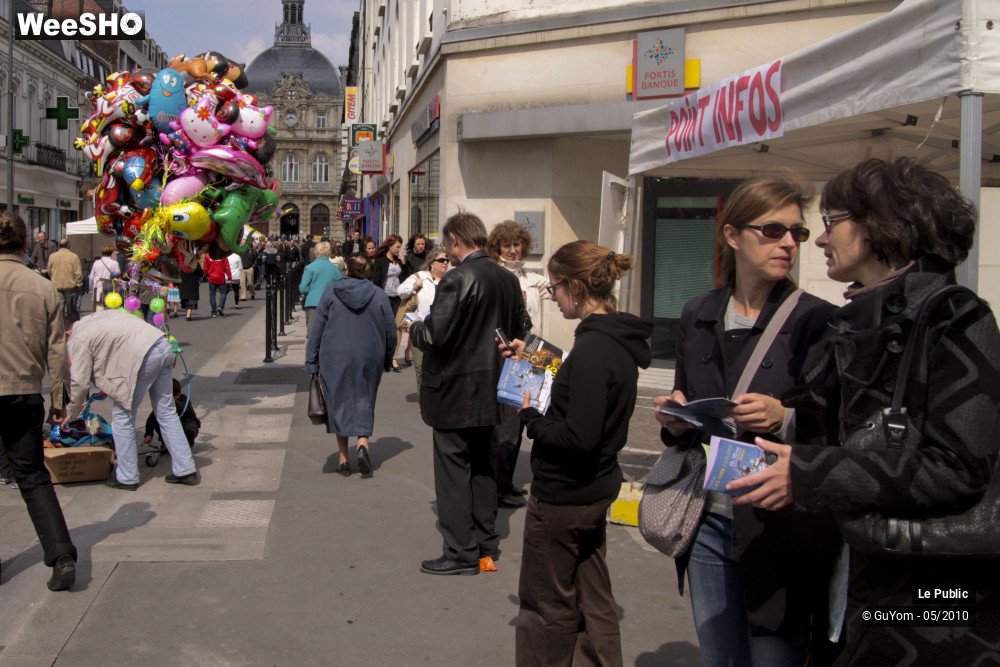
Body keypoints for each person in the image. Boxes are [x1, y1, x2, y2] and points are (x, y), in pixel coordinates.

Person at [730, 158, 1000, 665]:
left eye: (830, 222)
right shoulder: (852, 322)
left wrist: (809, 473)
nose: (818, 240)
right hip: (844, 576)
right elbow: (828, 433)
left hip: (927, 596)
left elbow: (959, 467)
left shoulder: (955, 316)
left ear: (879, 225)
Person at [652, 176, 837, 666]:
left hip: (779, 527)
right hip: (708, 518)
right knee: (720, 656)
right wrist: (675, 418)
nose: (788, 243)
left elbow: (838, 431)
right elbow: (687, 402)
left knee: (774, 654)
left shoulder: (818, 321)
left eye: (797, 232)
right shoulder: (698, 313)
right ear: (732, 235)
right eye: (773, 230)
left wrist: (785, 417)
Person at [508, 241, 650, 666]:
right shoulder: (611, 339)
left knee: (545, 602)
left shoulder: (594, 350)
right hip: (593, 487)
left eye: (554, 288)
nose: (553, 297)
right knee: (593, 593)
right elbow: (582, 390)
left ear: (574, 286)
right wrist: (534, 358)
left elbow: (578, 434)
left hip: (565, 493)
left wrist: (531, 417)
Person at [410, 212, 530, 575]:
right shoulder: (506, 278)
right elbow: (521, 327)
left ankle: (461, 551)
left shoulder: (457, 278)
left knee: (453, 470)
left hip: (455, 389)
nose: (446, 251)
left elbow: (435, 336)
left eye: (447, 244)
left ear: (456, 241)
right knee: (483, 465)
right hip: (491, 385)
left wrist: (415, 328)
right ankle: (485, 542)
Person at [0, 212, 77, 591]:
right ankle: (61, 555)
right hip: (24, 392)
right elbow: (57, 349)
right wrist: (59, 399)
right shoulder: (41, 287)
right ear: (25, 243)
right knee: (32, 477)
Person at [65, 309, 199, 490]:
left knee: (123, 416)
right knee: (167, 412)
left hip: (144, 356)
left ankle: (127, 477)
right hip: (162, 344)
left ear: (67, 333)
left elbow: (79, 382)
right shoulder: (97, 317)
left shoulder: (77, 338)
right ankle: (186, 470)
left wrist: (71, 414)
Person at [305, 254, 396, 478]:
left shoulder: (331, 291)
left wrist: (311, 361)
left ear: (347, 269)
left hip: (334, 355)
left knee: (338, 402)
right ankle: (363, 443)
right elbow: (390, 331)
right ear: (369, 271)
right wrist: (387, 358)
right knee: (365, 398)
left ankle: (344, 458)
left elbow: (317, 328)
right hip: (369, 354)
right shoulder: (378, 294)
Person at [486, 220, 550, 509]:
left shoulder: (532, 278)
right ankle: (498, 488)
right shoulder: (495, 276)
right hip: (509, 358)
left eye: (516, 244)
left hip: (533, 354)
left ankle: (505, 480)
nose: (513, 250)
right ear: (496, 248)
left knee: (522, 420)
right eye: (506, 245)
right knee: (507, 426)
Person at [397, 248, 450, 385]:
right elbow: (400, 291)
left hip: (442, 333)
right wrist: (414, 287)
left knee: (440, 371)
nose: (445, 263)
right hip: (421, 330)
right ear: (432, 263)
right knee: (421, 369)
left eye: (447, 260)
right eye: (441, 260)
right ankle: (423, 397)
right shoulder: (420, 277)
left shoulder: (450, 280)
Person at [372, 234, 411, 371]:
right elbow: (376, 281)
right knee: (384, 328)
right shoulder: (380, 261)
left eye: (400, 247)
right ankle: (382, 357)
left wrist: (404, 262)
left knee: (396, 327)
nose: (399, 250)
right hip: (384, 297)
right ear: (389, 246)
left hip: (398, 297)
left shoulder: (399, 260)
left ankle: (393, 357)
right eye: (397, 247)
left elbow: (406, 278)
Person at [143, 378, 200, 449]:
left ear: (178, 395)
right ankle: (166, 443)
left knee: (189, 426)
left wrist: (175, 403)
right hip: (171, 429)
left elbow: (187, 411)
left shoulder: (184, 400)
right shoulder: (163, 404)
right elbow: (152, 419)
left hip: (185, 426)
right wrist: (149, 434)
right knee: (158, 419)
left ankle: (187, 444)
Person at [299, 241, 343, 329]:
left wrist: (311, 292)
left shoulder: (310, 267)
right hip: (330, 303)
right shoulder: (335, 269)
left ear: (316, 252)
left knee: (312, 331)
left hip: (313, 302)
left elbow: (303, 288)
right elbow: (340, 286)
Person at [47, 238, 84, 326]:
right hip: (70, 286)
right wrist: (79, 284)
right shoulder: (73, 256)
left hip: (56, 286)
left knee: (59, 310)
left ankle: (60, 327)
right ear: (68, 245)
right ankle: (72, 327)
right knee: (72, 310)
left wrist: (53, 279)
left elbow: (49, 270)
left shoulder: (52, 256)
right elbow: (78, 273)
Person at [89, 245, 119, 309]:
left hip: (98, 289)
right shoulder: (115, 263)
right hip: (110, 289)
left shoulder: (96, 263)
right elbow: (117, 275)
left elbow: (91, 278)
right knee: (111, 311)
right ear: (111, 253)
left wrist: (91, 289)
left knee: (99, 310)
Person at [202, 252, 232, 318]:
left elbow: (205, 268)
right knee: (223, 293)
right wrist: (229, 277)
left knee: (212, 295)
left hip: (211, 278)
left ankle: (214, 312)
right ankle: (220, 307)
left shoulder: (208, 255)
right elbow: (226, 267)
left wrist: (207, 275)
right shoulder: (223, 255)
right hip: (221, 278)